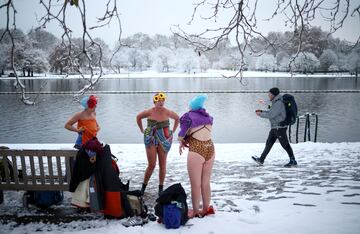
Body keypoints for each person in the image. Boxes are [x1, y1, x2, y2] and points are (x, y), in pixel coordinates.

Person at [178, 94, 215, 218]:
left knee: (195, 184)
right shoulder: (208, 117)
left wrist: (182, 141)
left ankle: (195, 211)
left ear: (191, 106)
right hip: (210, 148)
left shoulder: (188, 117)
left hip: (197, 149)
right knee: (205, 183)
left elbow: (181, 135)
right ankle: (205, 209)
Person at [136, 92, 179, 196]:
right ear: (154, 101)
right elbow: (138, 117)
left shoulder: (167, 112)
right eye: (159, 100)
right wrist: (142, 130)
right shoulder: (149, 111)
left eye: (163, 100)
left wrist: (172, 131)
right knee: (151, 165)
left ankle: (160, 188)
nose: (161, 102)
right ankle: (143, 187)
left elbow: (177, 118)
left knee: (162, 165)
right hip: (150, 138)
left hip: (164, 138)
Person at [252, 87, 297, 167]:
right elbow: (271, 112)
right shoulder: (275, 102)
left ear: (273, 94)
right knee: (269, 143)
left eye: (269, 93)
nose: (268, 95)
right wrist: (262, 111)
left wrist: (260, 114)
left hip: (280, 127)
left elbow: (271, 115)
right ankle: (261, 159)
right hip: (275, 127)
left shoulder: (278, 103)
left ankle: (293, 160)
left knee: (285, 144)